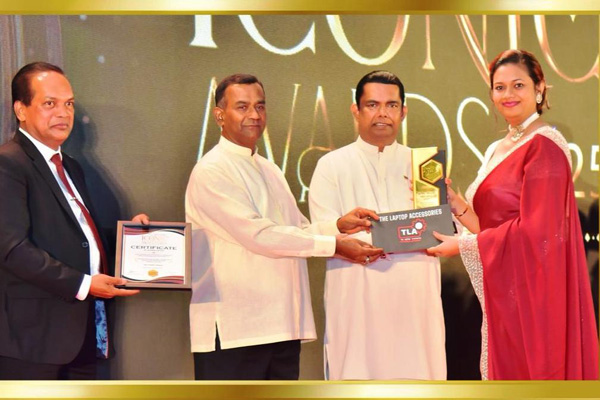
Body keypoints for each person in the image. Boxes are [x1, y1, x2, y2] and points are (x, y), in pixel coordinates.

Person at [185, 73, 383, 380]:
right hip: (236, 329)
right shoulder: (211, 170)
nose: (254, 115)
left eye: (260, 106)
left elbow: (296, 229)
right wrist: (335, 245)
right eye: (242, 107)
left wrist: (338, 227)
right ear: (219, 115)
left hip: (283, 326)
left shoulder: (269, 169)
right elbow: (258, 235)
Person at [427, 49, 599, 380]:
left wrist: (461, 245)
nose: (508, 94)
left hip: (534, 299)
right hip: (507, 296)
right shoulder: (498, 147)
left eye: (518, 85)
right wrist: (456, 205)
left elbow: (536, 233)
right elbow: (491, 227)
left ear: (539, 88)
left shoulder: (545, 146)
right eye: (499, 87)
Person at [0, 62, 147, 380]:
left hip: (84, 334)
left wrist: (133, 239)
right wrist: (84, 284)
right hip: (32, 342)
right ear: (21, 110)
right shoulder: (7, 163)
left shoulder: (70, 166)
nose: (63, 113)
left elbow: (79, 237)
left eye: (68, 104)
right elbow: (11, 249)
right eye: (49, 103)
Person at [308, 70, 446, 380]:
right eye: (372, 105)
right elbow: (318, 233)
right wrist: (340, 227)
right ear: (356, 110)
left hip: (415, 307)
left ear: (403, 112)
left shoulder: (425, 167)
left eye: (391, 105)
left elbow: (440, 235)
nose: (382, 113)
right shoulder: (331, 165)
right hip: (356, 307)